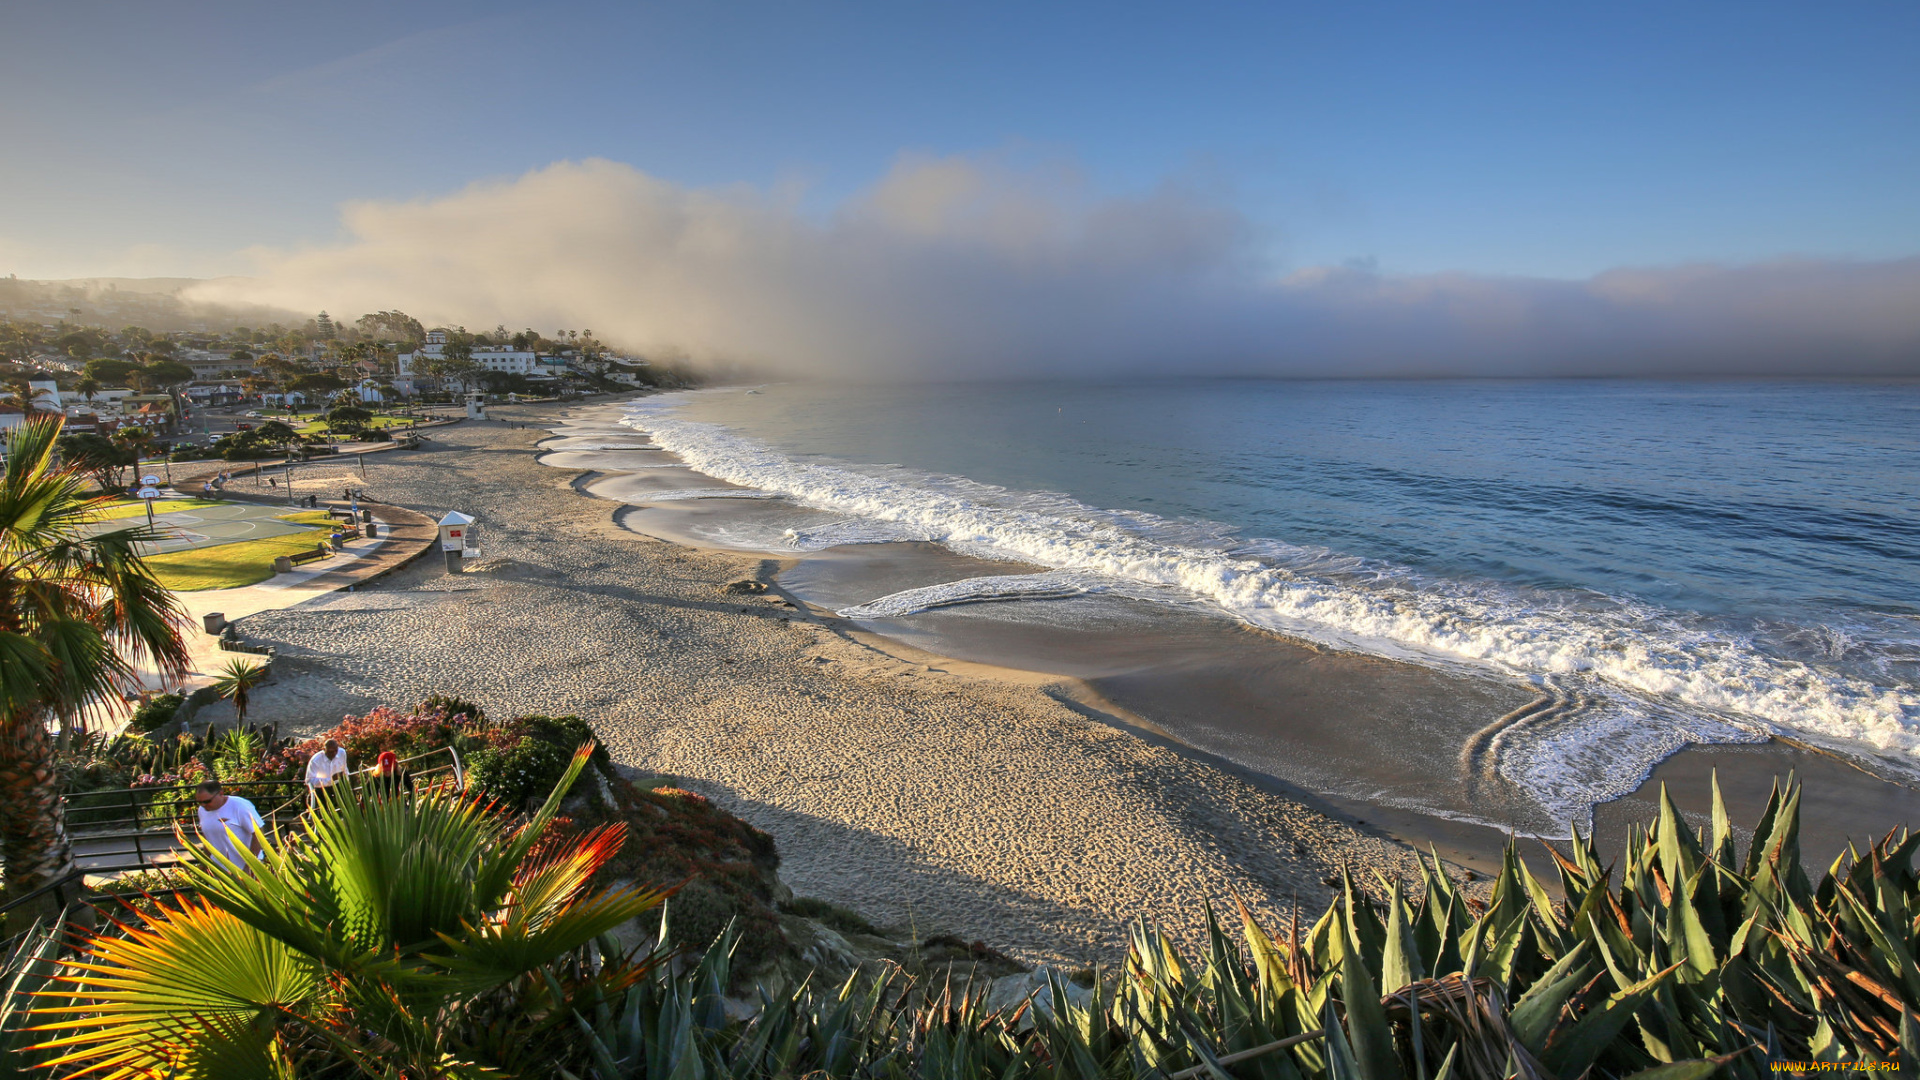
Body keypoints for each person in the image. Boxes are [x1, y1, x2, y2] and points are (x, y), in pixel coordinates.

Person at [194, 780, 264, 867]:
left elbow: (258, 834)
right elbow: (207, 838)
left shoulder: (240, 806)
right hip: (219, 867)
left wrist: (250, 866)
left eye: (207, 801)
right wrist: (206, 863)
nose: (203, 805)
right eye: (199, 802)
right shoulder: (202, 810)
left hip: (244, 866)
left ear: (220, 793)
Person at [304, 738, 349, 804]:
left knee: (345, 803)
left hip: (339, 784)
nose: (334, 753)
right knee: (326, 806)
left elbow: (344, 768)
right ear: (324, 749)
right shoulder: (315, 760)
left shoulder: (341, 752)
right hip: (322, 788)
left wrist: (347, 782)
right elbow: (309, 781)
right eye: (331, 751)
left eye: (336, 750)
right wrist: (330, 780)